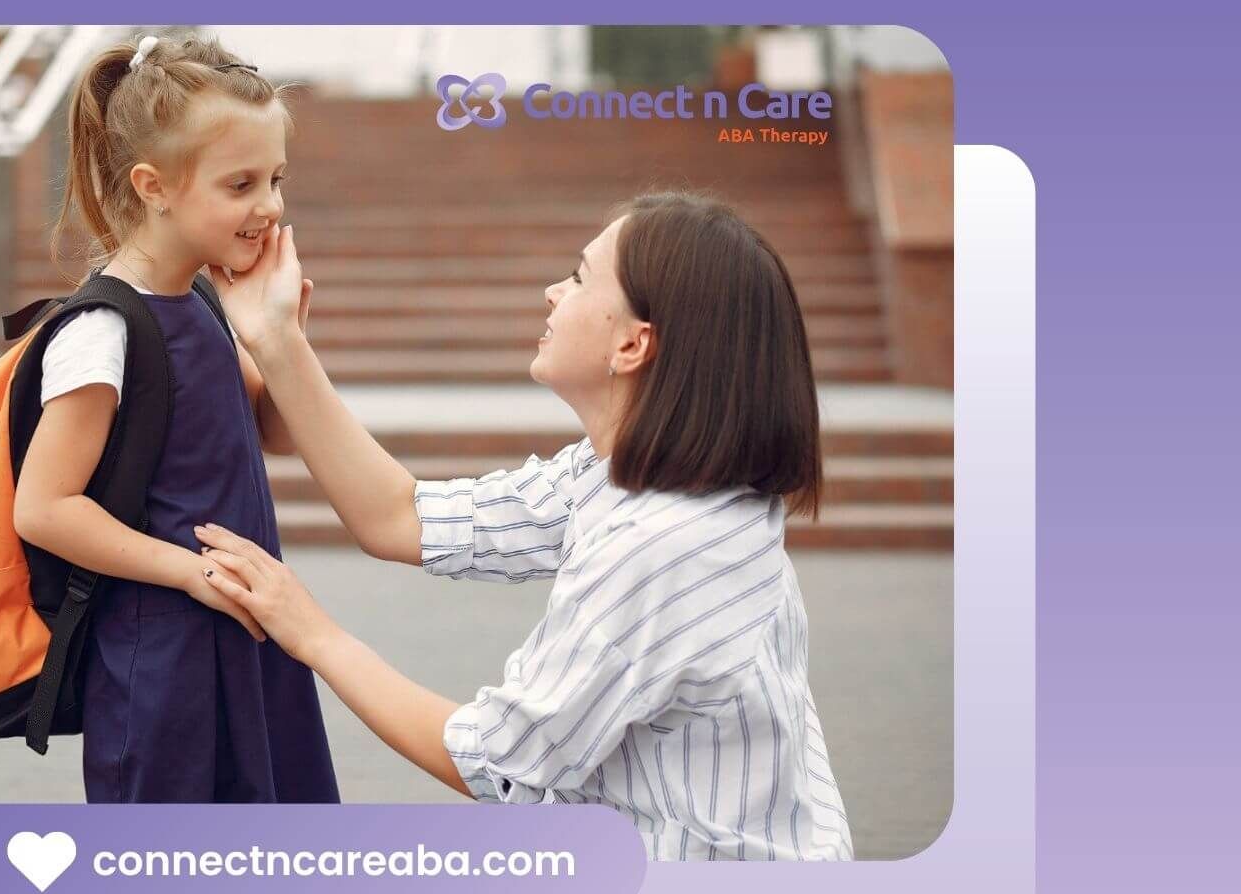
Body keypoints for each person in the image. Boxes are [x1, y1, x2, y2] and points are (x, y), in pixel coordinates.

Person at [195, 195, 853, 859]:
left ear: (632, 343)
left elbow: (499, 763)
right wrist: (277, 339)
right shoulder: (616, 476)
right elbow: (400, 518)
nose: (551, 294)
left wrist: (313, 633)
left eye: (577, 277)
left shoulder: (665, 548)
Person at [10, 34, 339, 804]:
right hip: (166, 659)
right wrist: (192, 574)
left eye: (276, 179)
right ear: (154, 185)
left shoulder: (201, 297)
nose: (271, 206)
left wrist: (282, 339)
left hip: (246, 631)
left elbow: (274, 435)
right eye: (241, 184)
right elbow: (44, 508)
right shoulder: (105, 330)